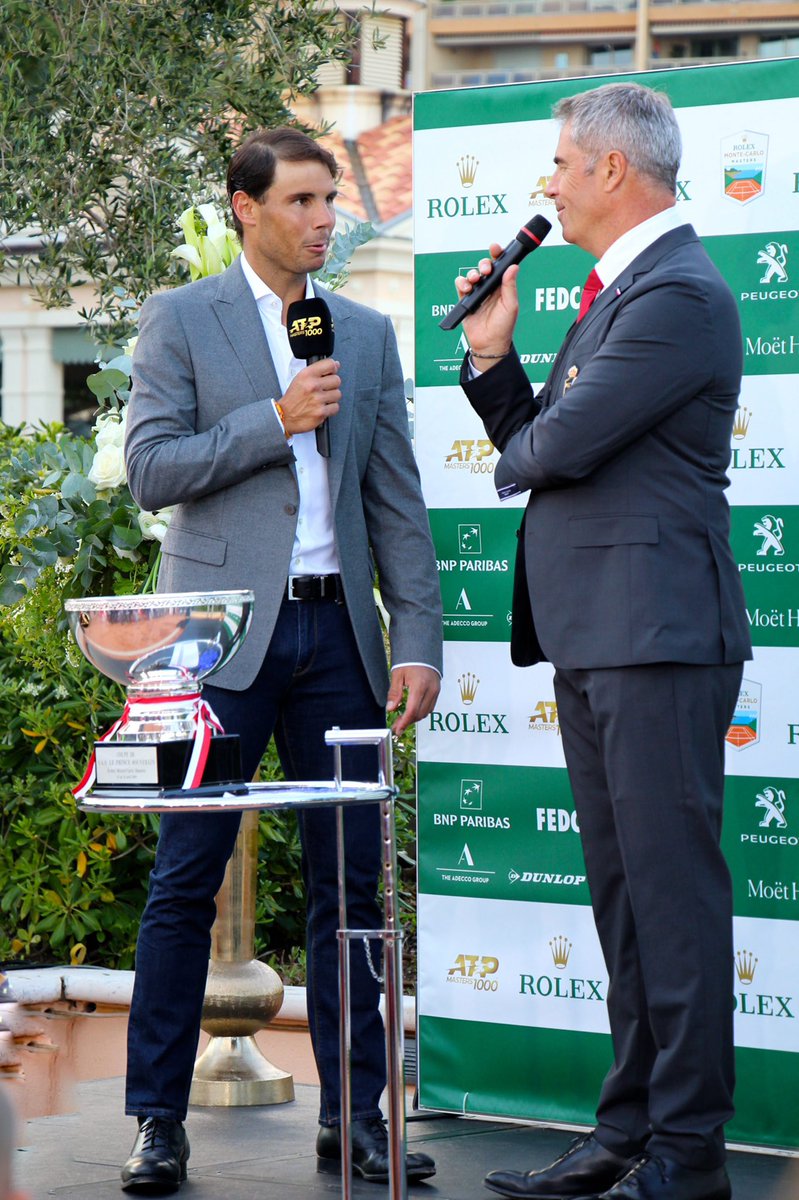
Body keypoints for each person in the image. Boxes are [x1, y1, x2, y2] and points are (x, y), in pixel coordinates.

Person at [122, 126, 442, 1193]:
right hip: (215, 644)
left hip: (340, 642)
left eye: (329, 203)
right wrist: (273, 419)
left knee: (353, 888)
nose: (323, 220)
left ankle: (354, 1120)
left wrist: (420, 642)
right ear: (245, 205)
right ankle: (157, 1122)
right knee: (184, 879)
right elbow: (151, 470)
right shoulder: (181, 318)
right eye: (302, 201)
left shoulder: (362, 330)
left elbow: (395, 497)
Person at [456, 83, 750, 1200]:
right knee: (626, 905)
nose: (549, 184)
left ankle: (687, 1157)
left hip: (657, 636)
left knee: (670, 906)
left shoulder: (678, 293)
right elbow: (544, 436)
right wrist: (493, 360)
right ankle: (626, 1134)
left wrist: (527, 431)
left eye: (563, 165)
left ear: (615, 171)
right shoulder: (620, 291)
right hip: (604, 634)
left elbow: (557, 449)